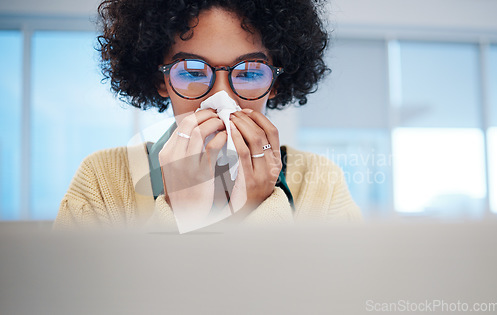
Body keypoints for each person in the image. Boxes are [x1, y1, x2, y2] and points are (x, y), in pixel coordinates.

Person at [54, 0, 362, 232]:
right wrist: (179, 216)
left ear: (275, 84)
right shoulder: (101, 181)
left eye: (250, 73)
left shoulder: (321, 184)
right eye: (191, 71)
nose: (220, 100)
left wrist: (258, 210)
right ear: (162, 81)